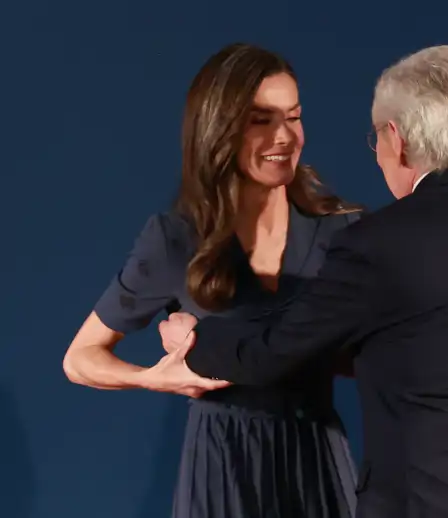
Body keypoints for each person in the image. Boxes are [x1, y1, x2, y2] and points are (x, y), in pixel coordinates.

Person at [159, 45, 448, 518]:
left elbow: (270, 354)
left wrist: (195, 339)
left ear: (397, 139)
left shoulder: (379, 245)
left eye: (376, 139)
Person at [62, 43, 361, 518]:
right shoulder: (176, 239)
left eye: (294, 116)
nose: (285, 136)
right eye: (261, 120)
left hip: (317, 458)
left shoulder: (342, 231)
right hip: (223, 466)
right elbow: (80, 359)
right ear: (218, 129)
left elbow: (371, 353)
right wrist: (154, 379)